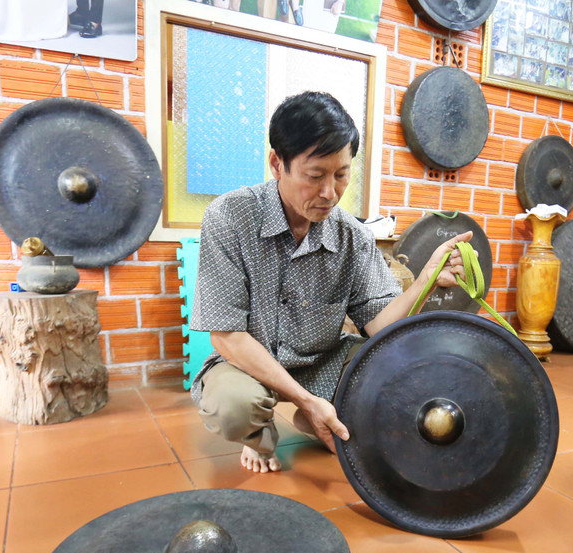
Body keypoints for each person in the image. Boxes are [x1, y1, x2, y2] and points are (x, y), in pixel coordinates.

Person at [190, 91, 471, 473]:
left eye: (341, 175)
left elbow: (380, 328)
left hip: (321, 361)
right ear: (277, 163)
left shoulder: (352, 237)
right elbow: (227, 336)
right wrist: (307, 400)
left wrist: (426, 279)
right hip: (247, 363)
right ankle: (260, 435)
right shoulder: (230, 218)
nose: (329, 192)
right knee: (234, 407)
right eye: (315, 176)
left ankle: (315, 416)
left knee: (395, 374)